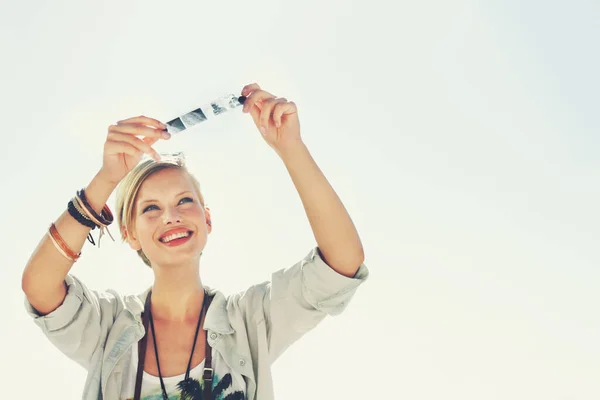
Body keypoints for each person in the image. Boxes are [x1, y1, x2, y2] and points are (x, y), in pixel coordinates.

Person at [22, 83, 369, 400]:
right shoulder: (109, 327)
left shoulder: (249, 321)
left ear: (207, 219)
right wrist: (106, 177)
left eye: (184, 201)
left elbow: (342, 264)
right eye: (151, 209)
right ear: (129, 235)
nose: (170, 216)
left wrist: (291, 148)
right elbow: (39, 286)